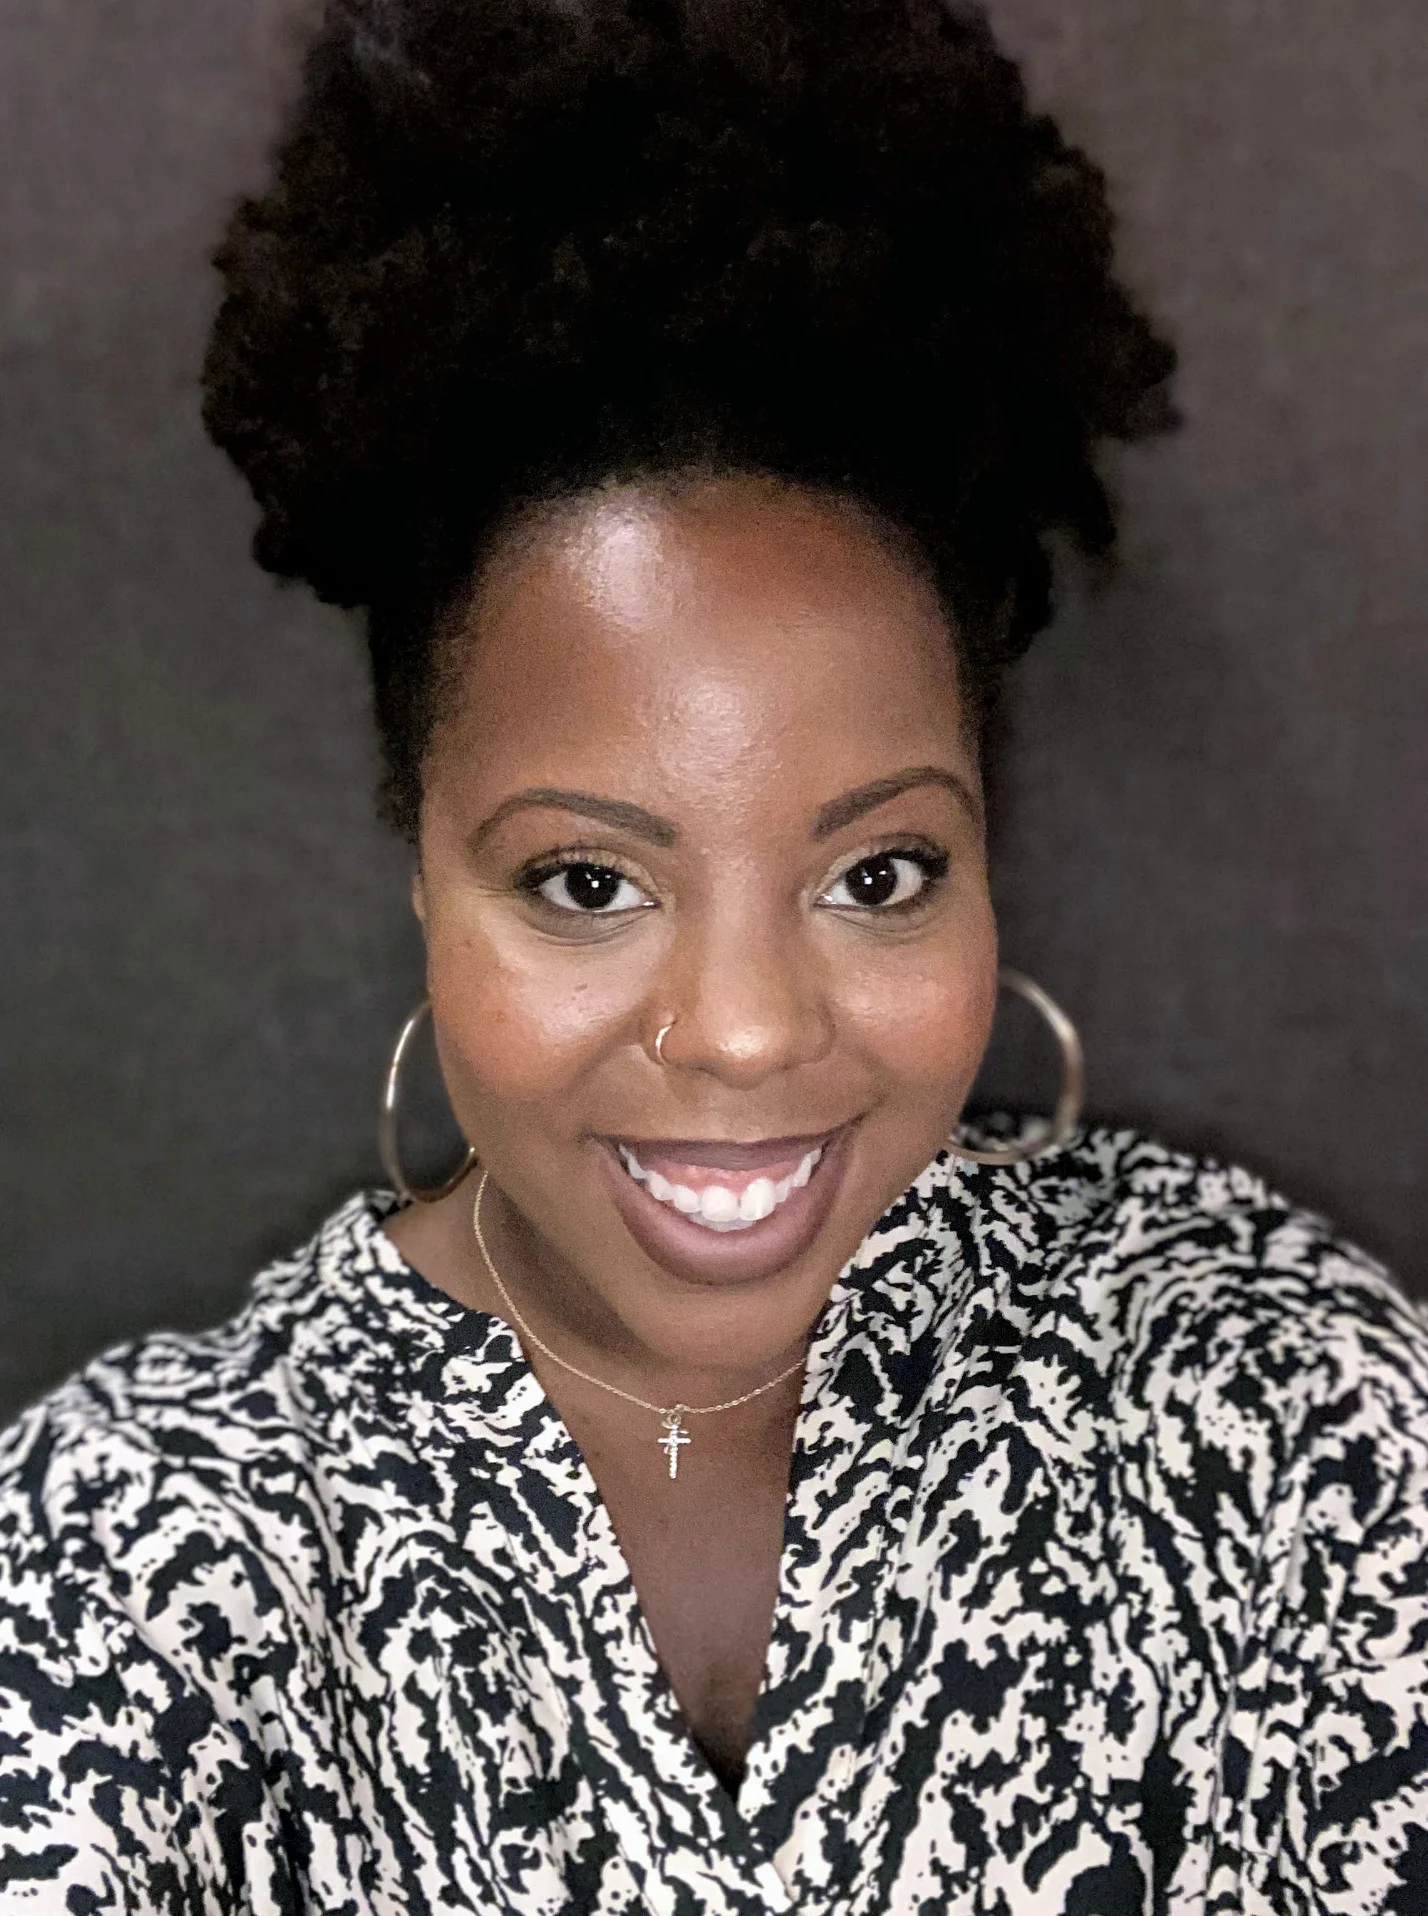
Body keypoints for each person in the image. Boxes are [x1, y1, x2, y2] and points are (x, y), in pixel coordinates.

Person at [1, 0, 1425, 1909]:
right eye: (589, 883)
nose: (748, 1034)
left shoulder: (1266, 1395)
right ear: (423, 863)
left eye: (879, 874)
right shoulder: (132, 1566)